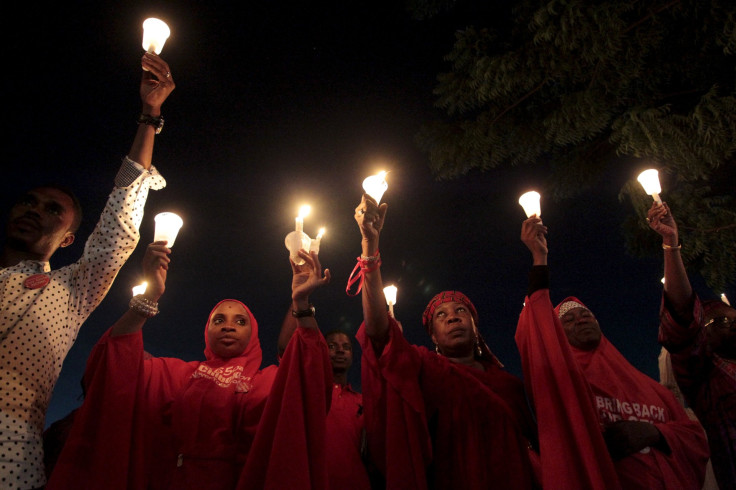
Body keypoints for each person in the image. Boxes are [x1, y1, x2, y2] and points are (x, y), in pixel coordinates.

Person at [0, 52, 174, 490]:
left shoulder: (69, 289)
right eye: (28, 202)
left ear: (69, 238)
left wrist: (150, 115)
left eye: (52, 210)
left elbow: (118, 224)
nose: (35, 212)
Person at [46, 244, 332, 490]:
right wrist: (149, 297)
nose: (229, 325)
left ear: (254, 333)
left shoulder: (268, 381)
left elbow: (310, 382)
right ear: (206, 331)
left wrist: (301, 303)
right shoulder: (177, 375)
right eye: (218, 320)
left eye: (240, 321)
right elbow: (113, 369)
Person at [352, 194, 539, 489]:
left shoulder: (510, 386)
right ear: (433, 336)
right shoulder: (427, 370)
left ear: (476, 328)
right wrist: (370, 246)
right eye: (442, 315)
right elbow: (378, 333)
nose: (453, 318)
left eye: (461, 311)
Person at [517, 216, 710, 489]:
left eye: (586, 315)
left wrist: (655, 433)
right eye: (568, 321)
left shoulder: (654, 390)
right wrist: (539, 258)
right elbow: (535, 331)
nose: (580, 320)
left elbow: (696, 439)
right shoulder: (564, 382)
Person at [648, 201, 735, 489]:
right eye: (721, 321)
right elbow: (683, 316)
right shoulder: (705, 377)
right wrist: (671, 244)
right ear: (701, 337)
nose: (733, 323)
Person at [323, 330, 372, 490]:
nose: (340, 350)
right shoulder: (312, 395)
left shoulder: (363, 402)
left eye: (346, 347)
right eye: (332, 346)